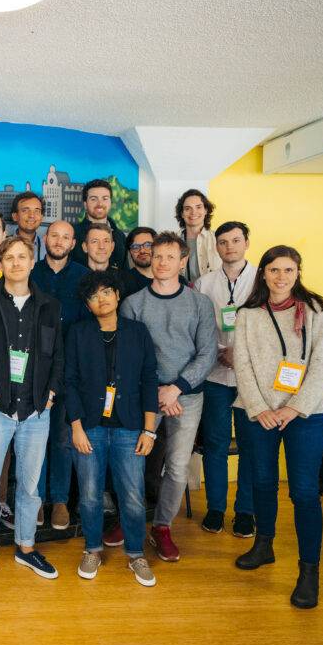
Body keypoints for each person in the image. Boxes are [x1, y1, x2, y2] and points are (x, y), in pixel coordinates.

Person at [232, 245, 323, 610]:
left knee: (304, 491)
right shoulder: (247, 314)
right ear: (263, 273)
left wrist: (295, 406)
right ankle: (264, 544)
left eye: (288, 270)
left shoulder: (318, 311)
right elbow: (240, 363)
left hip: (307, 413)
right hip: (258, 412)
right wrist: (260, 407)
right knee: (261, 481)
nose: (281, 277)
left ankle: (309, 572)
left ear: (298, 272)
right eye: (274, 270)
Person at [120, 232, 217, 562]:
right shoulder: (133, 304)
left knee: (176, 467)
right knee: (132, 459)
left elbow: (207, 354)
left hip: (186, 397)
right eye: (156, 255)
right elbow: (128, 356)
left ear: (183, 261)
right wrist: (157, 392)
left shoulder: (200, 304)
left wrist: (176, 388)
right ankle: (129, 519)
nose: (161, 262)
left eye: (169, 257)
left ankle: (161, 527)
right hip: (145, 395)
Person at [0, 236, 63, 583]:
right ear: (1, 262)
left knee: (29, 486)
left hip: (37, 411)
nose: (15, 263)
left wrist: (51, 394)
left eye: (22, 257)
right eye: (8, 257)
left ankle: (26, 547)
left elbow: (58, 354)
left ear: (32, 260)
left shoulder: (49, 305)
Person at [66, 270, 159, 587]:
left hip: (130, 427)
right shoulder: (78, 333)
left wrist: (149, 430)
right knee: (90, 495)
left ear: (118, 295)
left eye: (106, 292)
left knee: (132, 495)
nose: (101, 299)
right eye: (93, 296)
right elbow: (71, 382)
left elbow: (149, 380)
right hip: (90, 426)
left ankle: (136, 554)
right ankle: (92, 548)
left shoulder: (138, 332)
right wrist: (75, 427)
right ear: (87, 304)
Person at [195, 221, 258, 537]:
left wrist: (240, 354)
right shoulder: (205, 284)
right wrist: (222, 350)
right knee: (216, 444)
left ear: (246, 242)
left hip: (252, 379)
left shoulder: (263, 279)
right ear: (216, 247)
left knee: (250, 445)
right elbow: (201, 325)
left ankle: (245, 511)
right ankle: (216, 508)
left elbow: (267, 327)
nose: (229, 246)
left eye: (235, 240)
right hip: (216, 375)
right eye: (223, 242)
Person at [31, 220, 90, 530]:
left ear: (73, 243)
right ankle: (36, 499)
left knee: (63, 439)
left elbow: (89, 325)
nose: (59, 241)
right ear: (45, 238)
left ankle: (59, 501)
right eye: (54, 235)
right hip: (33, 372)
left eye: (65, 237)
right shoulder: (30, 273)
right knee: (35, 439)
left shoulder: (83, 277)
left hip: (70, 372)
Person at [71, 178, 126, 268]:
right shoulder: (73, 233)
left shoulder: (120, 236)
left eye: (105, 198)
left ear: (110, 203)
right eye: (93, 199)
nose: (100, 203)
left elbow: (124, 273)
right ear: (85, 204)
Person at [176, 188, 222, 284]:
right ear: (182, 213)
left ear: (205, 210)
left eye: (198, 207)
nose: (193, 212)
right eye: (187, 208)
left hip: (211, 295)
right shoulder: (173, 241)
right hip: (181, 295)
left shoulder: (219, 239)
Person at [10, 192, 47, 261]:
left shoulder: (48, 248)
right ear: (15, 216)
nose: (31, 215)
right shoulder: (3, 245)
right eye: (25, 210)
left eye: (36, 211)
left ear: (41, 217)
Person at [121, 227, 156, 298]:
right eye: (136, 247)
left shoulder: (175, 279)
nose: (142, 251)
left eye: (148, 245)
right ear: (130, 252)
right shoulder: (122, 282)